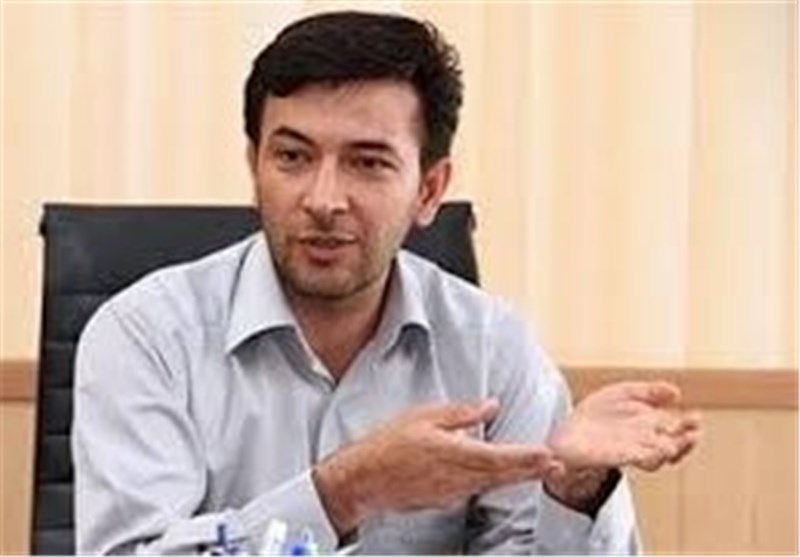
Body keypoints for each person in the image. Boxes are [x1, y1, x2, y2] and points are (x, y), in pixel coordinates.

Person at [73, 10, 701, 555]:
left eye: (367, 163)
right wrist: (346, 491)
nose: (323, 199)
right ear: (254, 165)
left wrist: (574, 492)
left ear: (429, 189)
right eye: (292, 157)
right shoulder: (146, 335)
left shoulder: (494, 348)